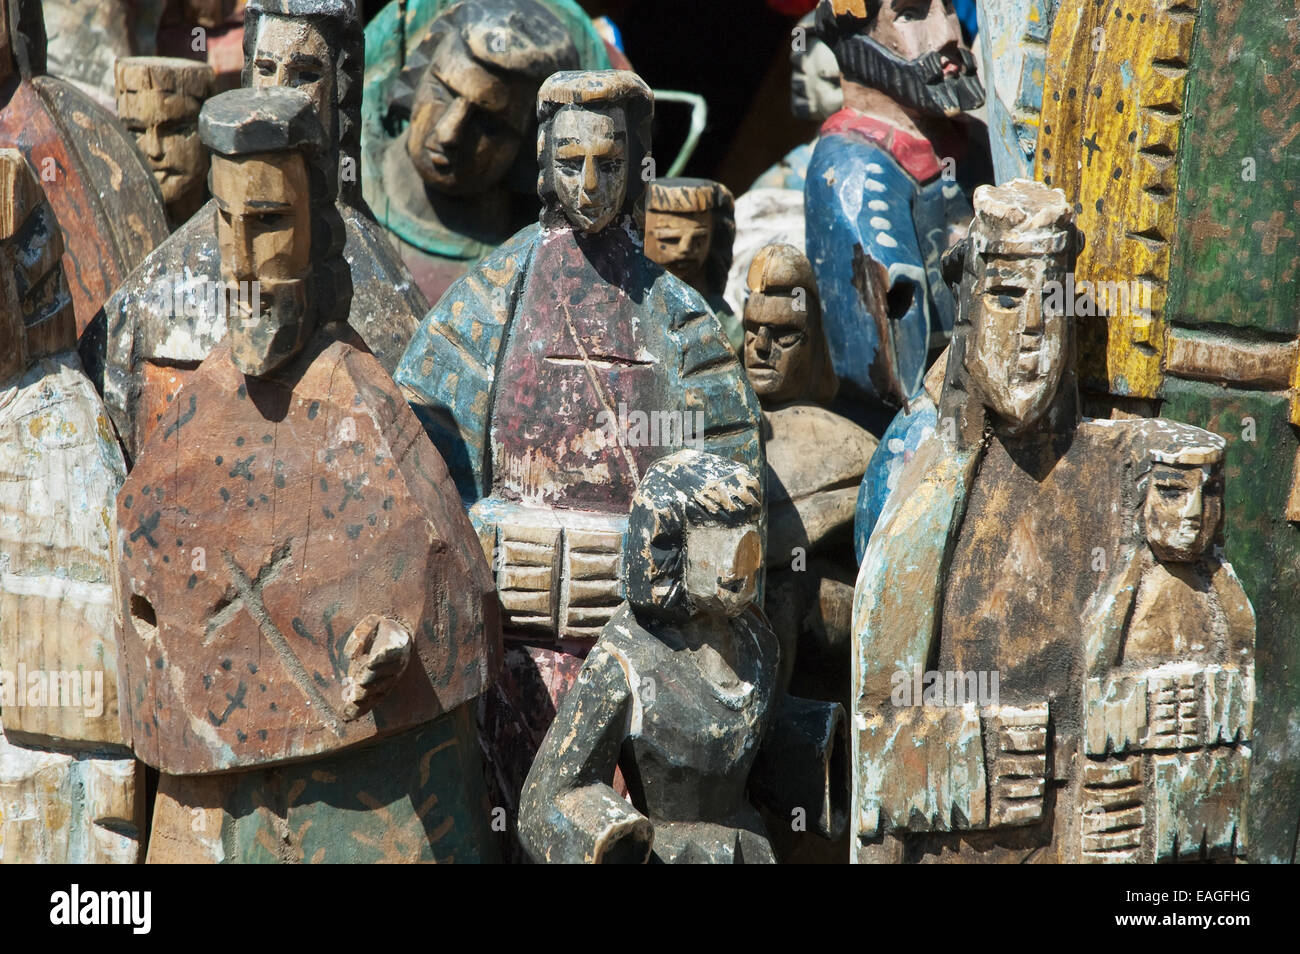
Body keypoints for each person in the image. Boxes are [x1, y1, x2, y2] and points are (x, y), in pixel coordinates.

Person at [115, 88, 500, 863]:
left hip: (362, 788)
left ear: (318, 230)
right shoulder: (201, 403)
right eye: (225, 224)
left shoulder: (358, 395)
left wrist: (396, 642)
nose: (238, 262)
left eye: (266, 224)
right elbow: (145, 581)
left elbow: (456, 591)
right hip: (216, 796)